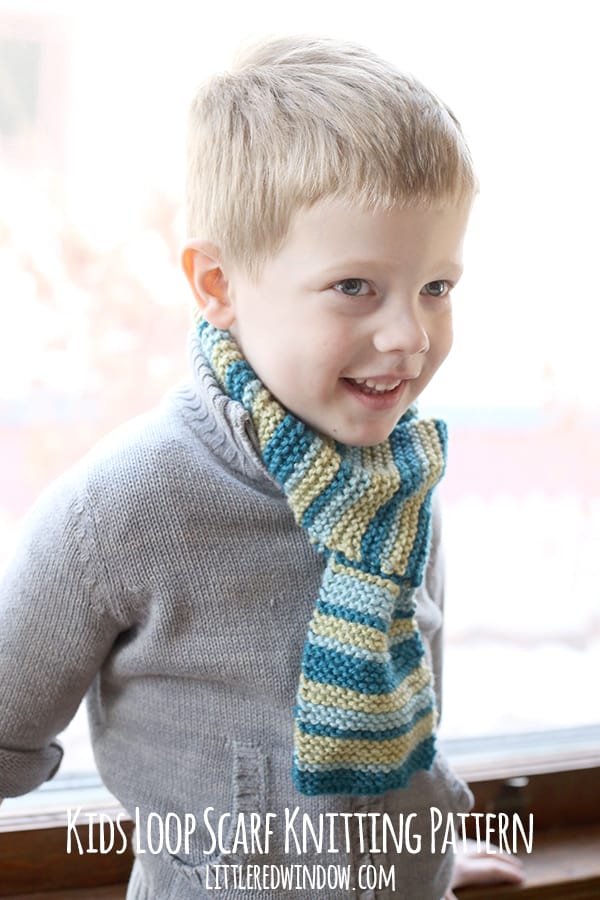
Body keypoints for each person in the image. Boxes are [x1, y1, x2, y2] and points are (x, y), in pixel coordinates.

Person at [0, 36, 524, 899]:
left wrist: (416, 856)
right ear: (217, 284)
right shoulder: (120, 511)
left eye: (437, 285)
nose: (410, 335)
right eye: (356, 285)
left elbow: (409, 725)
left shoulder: (401, 485)